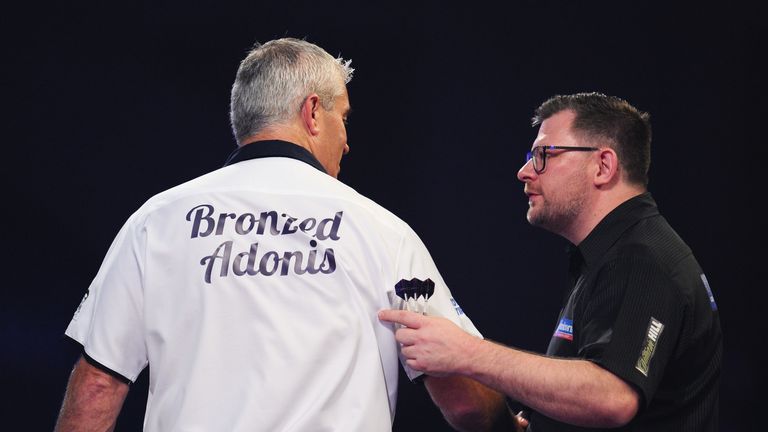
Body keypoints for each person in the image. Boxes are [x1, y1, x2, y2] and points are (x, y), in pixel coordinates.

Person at [55, 38, 514, 432]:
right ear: (313, 112)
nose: (347, 141)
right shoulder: (381, 231)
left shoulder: (156, 221)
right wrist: (506, 424)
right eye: (344, 119)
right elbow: (465, 398)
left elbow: (98, 383)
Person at [380, 92, 722, 431]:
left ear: (603, 166)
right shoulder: (605, 256)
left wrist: (467, 353)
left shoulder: (643, 258)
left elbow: (613, 397)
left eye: (544, 155)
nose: (524, 171)